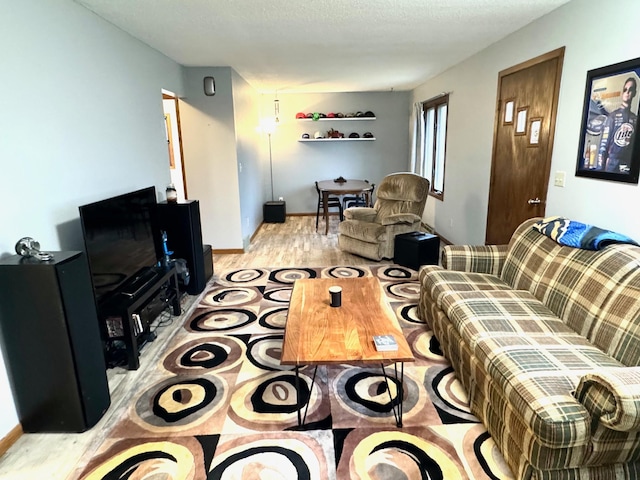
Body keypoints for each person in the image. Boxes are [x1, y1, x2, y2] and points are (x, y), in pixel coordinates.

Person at [597, 77, 637, 173]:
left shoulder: (635, 119)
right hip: (611, 163)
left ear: (634, 93)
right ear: (622, 93)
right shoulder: (612, 117)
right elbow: (603, 146)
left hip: (626, 164)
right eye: (625, 90)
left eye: (630, 90)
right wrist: (600, 169)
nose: (627, 92)